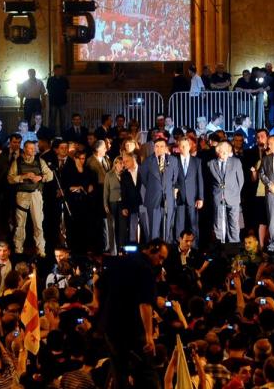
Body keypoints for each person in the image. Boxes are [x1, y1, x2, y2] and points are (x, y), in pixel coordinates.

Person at [97, 238, 167, 388]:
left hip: (110, 326)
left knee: (119, 371)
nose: (160, 262)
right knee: (146, 371)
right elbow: (145, 304)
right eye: (160, 257)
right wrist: (149, 335)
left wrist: (99, 306)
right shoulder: (145, 269)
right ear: (151, 250)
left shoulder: (120, 261)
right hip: (131, 327)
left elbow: (98, 283)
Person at [7, 139, 54, 254]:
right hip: (22, 194)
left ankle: (41, 250)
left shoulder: (39, 161)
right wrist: (23, 176)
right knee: (20, 224)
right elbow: (10, 178)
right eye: (30, 148)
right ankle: (18, 249)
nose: (33, 150)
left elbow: (50, 175)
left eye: (34, 148)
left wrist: (40, 177)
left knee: (38, 223)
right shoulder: (17, 162)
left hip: (35, 194)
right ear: (25, 149)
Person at [137, 137, 178, 242]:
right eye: (157, 146)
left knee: (167, 229)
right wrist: (155, 187)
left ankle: (166, 250)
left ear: (166, 148)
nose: (159, 149)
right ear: (154, 148)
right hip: (153, 199)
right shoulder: (147, 162)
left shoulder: (173, 160)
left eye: (162, 146)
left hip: (168, 199)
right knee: (154, 230)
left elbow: (174, 178)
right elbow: (144, 179)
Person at [206, 140, 244, 244]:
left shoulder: (236, 162)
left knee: (234, 224)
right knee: (218, 224)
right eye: (220, 152)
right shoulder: (211, 163)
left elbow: (240, 181)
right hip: (218, 197)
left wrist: (234, 193)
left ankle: (234, 246)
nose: (221, 154)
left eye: (224, 152)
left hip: (233, 197)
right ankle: (220, 246)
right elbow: (210, 182)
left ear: (229, 152)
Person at [172, 137, 204, 246]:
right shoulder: (174, 160)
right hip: (179, 197)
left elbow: (200, 180)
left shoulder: (197, 161)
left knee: (193, 224)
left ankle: (194, 248)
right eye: (181, 146)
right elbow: (172, 178)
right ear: (178, 147)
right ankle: (178, 247)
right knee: (179, 224)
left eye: (186, 145)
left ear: (190, 146)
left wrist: (201, 198)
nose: (184, 148)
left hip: (193, 197)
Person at [46, 64, 70, 131]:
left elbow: (67, 90)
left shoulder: (64, 79)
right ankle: (52, 135)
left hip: (63, 101)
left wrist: (67, 100)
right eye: (58, 70)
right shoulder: (50, 79)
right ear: (54, 71)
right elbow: (48, 90)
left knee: (63, 120)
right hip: (53, 101)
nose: (59, 72)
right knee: (52, 120)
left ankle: (63, 135)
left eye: (60, 70)